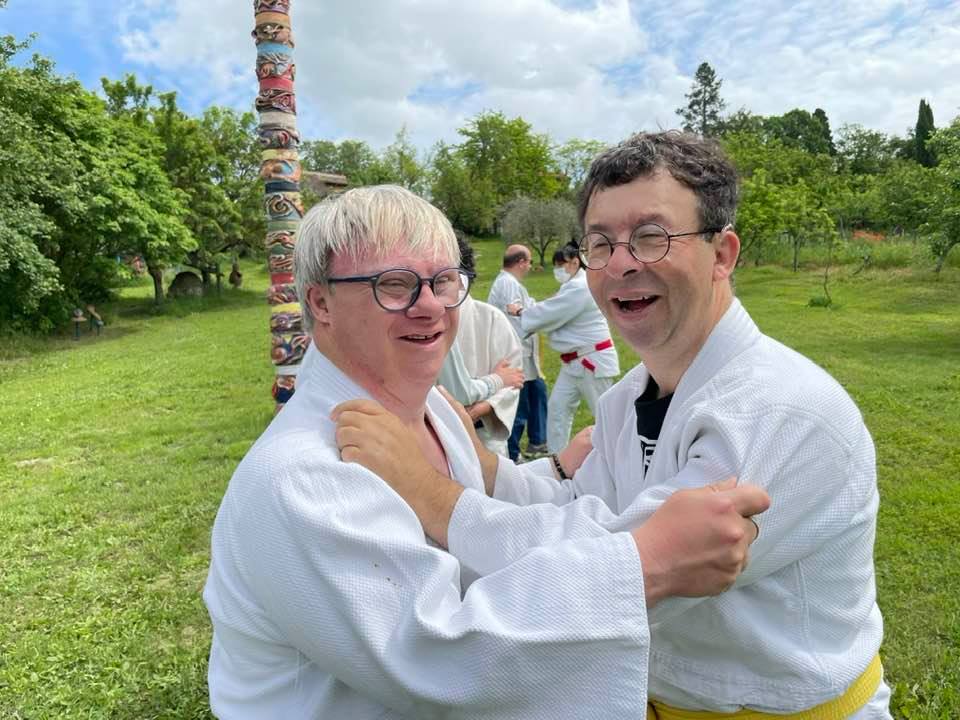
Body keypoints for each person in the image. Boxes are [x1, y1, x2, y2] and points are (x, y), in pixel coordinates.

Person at [336, 134, 891, 719]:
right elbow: (579, 499)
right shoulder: (630, 397)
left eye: (652, 237)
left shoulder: (778, 412)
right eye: (600, 243)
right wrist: (484, 465)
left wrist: (431, 496)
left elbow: (622, 564)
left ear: (723, 254)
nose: (622, 263)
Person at [204, 183, 769, 719]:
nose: (429, 307)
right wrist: (647, 564)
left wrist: (549, 472)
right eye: (394, 285)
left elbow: (488, 528)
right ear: (320, 303)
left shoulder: (438, 412)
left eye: (444, 281)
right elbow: (439, 659)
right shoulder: (302, 477)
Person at [506, 242, 619, 452]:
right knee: (558, 409)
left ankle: (620, 456)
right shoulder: (573, 286)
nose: (559, 269)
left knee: (606, 415)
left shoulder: (580, 287)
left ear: (576, 262)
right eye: (557, 264)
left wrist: (521, 312)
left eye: (562, 264)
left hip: (591, 360)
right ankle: (558, 459)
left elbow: (550, 313)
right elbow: (553, 310)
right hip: (574, 362)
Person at [437, 237, 523, 457]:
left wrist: (478, 411)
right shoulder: (422, 322)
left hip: (484, 438)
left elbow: (513, 376)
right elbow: (462, 390)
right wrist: (497, 380)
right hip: (430, 436)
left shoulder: (491, 319)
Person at [487, 245, 548, 460]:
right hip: (515, 351)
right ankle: (512, 453)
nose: (530, 266)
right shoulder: (508, 284)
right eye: (529, 261)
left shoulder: (509, 283)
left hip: (521, 350)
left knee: (535, 392)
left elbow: (528, 308)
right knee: (518, 404)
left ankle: (535, 442)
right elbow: (519, 316)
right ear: (521, 261)